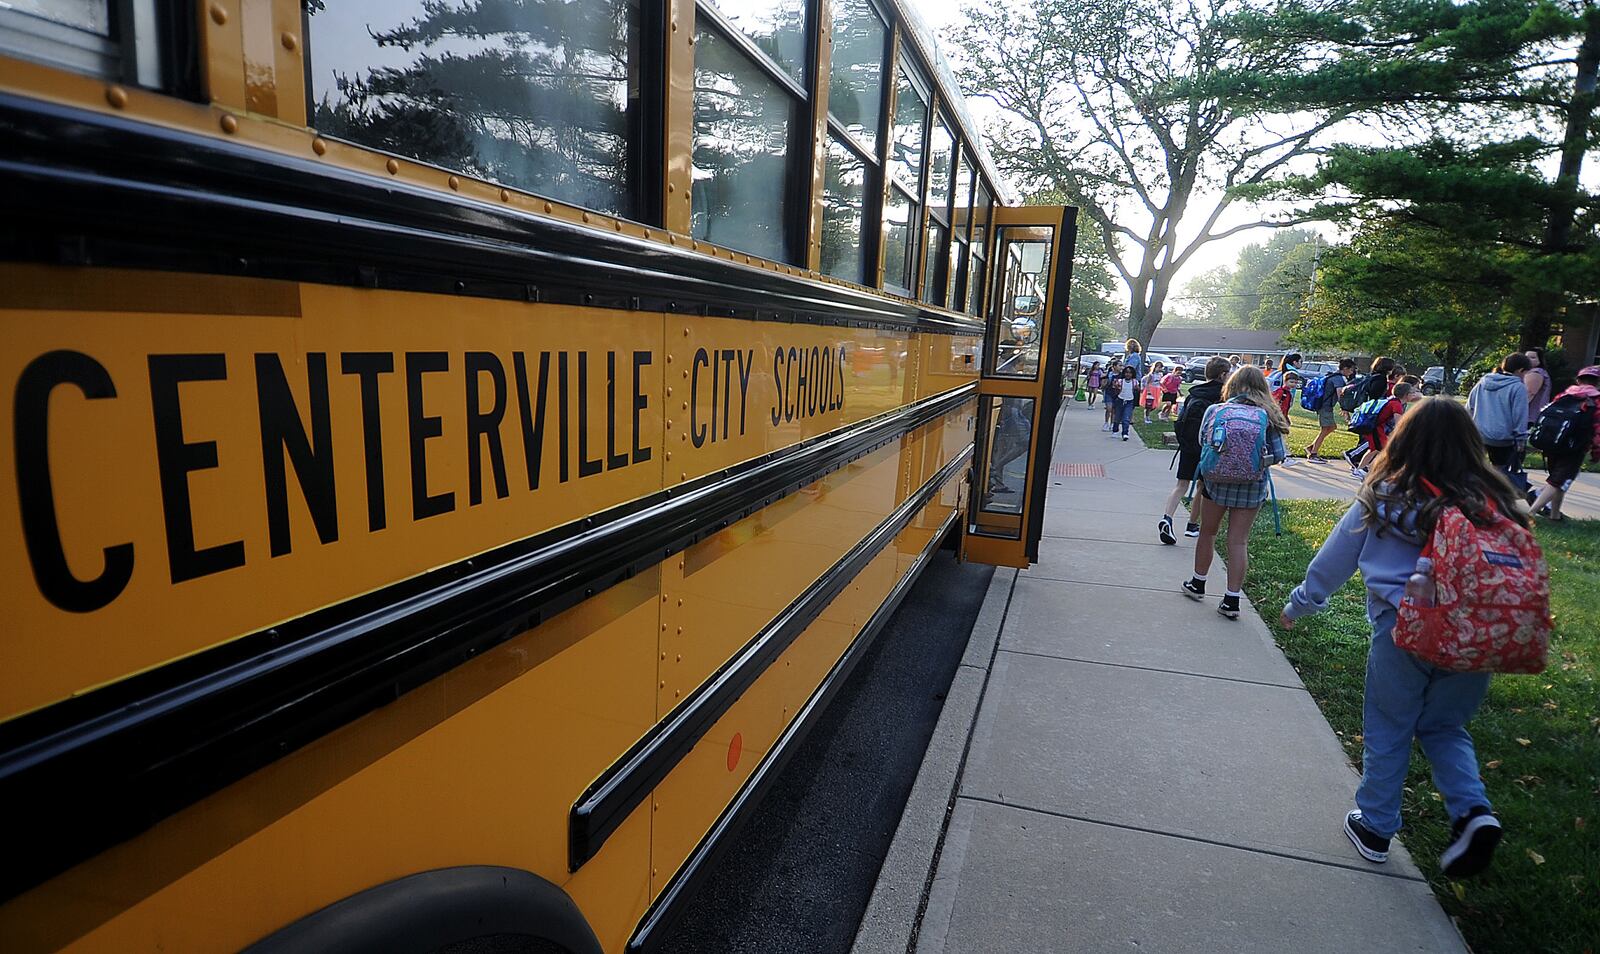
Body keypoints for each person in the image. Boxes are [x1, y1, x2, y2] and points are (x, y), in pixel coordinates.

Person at [1280, 398, 1521, 879]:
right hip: (1477, 632)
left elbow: (1336, 557)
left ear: (1404, 437)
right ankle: (1473, 812)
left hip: (1403, 629)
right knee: (1445, 727)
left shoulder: (1387, 493)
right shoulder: (1493, 498)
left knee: (1391, 723)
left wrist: (1302, 602)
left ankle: (1374, 826)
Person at [1181, 366, 1290, 619]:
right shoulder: (1268, 415)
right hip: (1252, 487)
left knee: (1207, 533)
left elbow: (1202, 442)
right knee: (1238, 541)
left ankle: (1198, 584)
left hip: (1216, 483)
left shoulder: (1216, 410)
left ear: (1231, 384)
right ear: (1263, 388)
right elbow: (1280, 455)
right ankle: (1231, 600)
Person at [1160, 356, 1228, 544]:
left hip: (1188, 445)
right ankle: (1192, 525)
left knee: (1181, 485)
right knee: (1202, 485)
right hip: (1208, 448)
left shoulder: (1194, 393)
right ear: (1223, 374)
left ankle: (1167, 518)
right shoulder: (1223, 396)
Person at [1528, 365, 1600, 522]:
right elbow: (1598, 430)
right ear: (1597, 382)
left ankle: (1554, 516)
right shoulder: (1596, 400)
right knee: (1557, 482)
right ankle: (1530, 513)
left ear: (1578, 380)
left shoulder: (1563, 395)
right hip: (1575, 448)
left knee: (1560, 480)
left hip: (1553, 444)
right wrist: (1596, 453)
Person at [1466, 352, 1531, 475]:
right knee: (1499, 471)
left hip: (1479, 433)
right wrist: (1521, 438)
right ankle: (1492, 491)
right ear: (1521, 370)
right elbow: (1519, 415)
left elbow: (1470, 406)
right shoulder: (1517, 387)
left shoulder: (1483, 382)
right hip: (1502, 438)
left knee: (1475, 466)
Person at [1351, 381, 1421, 479]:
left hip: (1375, 428)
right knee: (1384, 451)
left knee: (1375, 450)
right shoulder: (1397, 405)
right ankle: (1364, 470)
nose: (1413, 395)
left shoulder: (1393, 401)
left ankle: (1361, 469)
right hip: (1376, 429)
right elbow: (1399, 423)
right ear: (1406, 395)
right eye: (1412, 393)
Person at [1307, 358, 1356, 461]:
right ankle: (1313, 454)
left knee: (1332, 427)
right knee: (1325, 429)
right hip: (1325, 407)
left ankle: (1312, 447)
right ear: (1345, 368)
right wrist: (1345, 409)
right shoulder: (1338, 379)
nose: (1352, 372)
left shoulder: (1333, 376)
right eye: (1351, 370)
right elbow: (1340, 394)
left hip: (1325, 406)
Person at [1523, 347, 1553, 430]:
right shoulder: (1532, 372)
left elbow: (1528, 394)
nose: (1528, 360)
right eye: (1526, 357)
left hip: (1530, 417)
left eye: (1532, 357)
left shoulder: (1536, 373)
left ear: (1540, 360)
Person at [1112, 364, 1139, 440]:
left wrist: (1137, 389)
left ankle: (1125, 433)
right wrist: (1116, 386)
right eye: (1126, 372)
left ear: (1132, 374)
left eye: (1130, 373)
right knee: (1117, 417)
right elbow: (1115, 389)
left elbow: (1137, 390)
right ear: (1124, 373)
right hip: (1120, 400)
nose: (1128, 374)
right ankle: (1115, 430)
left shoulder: (1135, 382)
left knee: (1126, 418)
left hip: (1129, 401)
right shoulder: (1120, 381)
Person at [1100, 358, 1122, 430]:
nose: (1121, 367)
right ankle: (1106, 423)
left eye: (1121, 366)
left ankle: (1112, 423)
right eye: (1119, 365)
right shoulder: (1109, 374)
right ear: (1114, 366)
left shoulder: (1122, 375)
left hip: (1117, 394)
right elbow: (1103, 380)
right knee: (1109, 408)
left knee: (1114, 410)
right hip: (1109, 392)